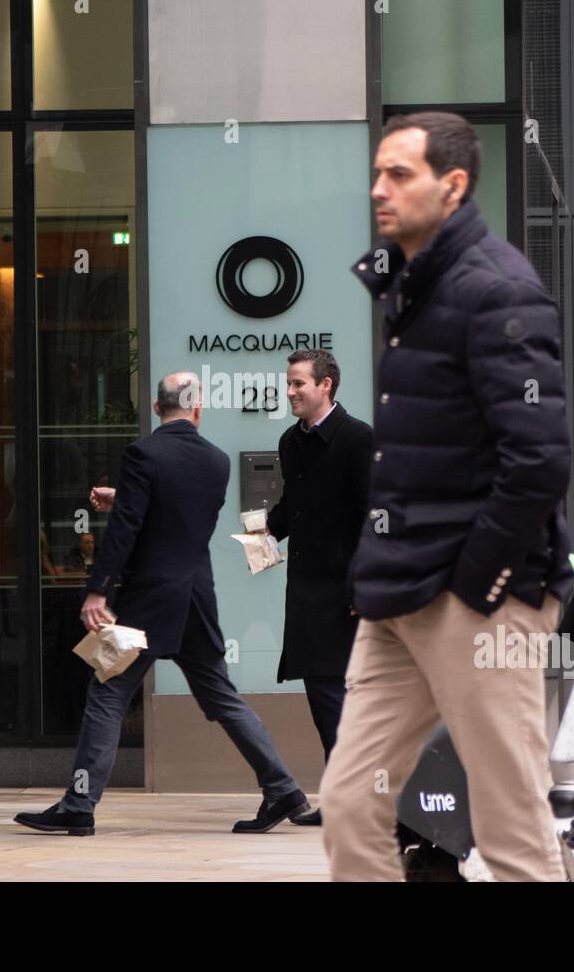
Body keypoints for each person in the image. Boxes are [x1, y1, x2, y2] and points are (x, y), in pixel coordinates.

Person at [320, 111, 572, 882]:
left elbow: (538, 458)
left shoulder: (496, 289)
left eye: (399, 174)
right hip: (397, 589)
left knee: (511, 822)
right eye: (377, 173)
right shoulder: (414, 287)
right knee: (349, 801)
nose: (378, 191)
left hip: (477, 596)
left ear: (453, 185)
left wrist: (478, 580)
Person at [15, 372, 309, 836]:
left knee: (108, 694)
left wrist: (98, 589)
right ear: (197, 409)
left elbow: (130, 528)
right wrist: (127, 497)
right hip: (195, 596)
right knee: (221, 697)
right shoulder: (216, 461)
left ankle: (79, 803)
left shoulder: (141, 453)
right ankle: (284, 790)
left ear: (157, 408)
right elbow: (178, 516)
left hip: (149, 599)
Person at [262, 349, 372, 826]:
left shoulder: (358, 439)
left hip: (345, 593)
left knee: (336, 693)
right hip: (305, 588)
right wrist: (264, 532)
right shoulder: (291, 441)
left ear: (325, 385)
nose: (290, 392)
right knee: (322, 693)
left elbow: (377, 518)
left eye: (298, 384)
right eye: (288, 384)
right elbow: (294, 504)